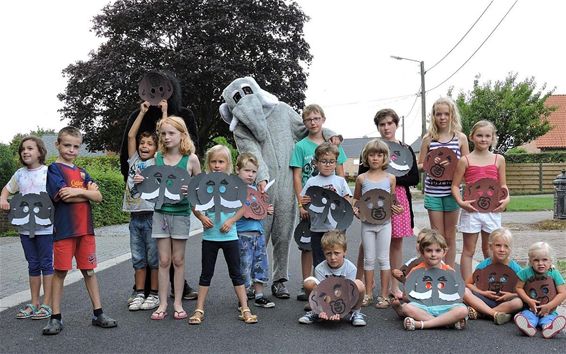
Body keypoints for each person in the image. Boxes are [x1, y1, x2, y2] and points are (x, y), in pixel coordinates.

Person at [219, 77, 339, 299]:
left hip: (286, 180)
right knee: (257, 236)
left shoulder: (282, 110)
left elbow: (307, 129)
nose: (244, 99)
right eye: (237, 98)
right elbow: (252, 153)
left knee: (283, 234)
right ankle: (252, 281)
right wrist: (261, 177)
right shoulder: (241, 128)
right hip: (259, 187)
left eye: (247, 91)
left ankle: (280, 279)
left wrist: (329, 134)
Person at [120, 70, 199, 301]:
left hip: (174, 197)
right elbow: (129, 146)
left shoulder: (183, 115)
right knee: (148, 250)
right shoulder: (138, 114)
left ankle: (177, 286)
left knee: (172, 250)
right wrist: (135, 182)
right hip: (146, 200)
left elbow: (187, 147)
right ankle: (144, 289)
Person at [42, 127, 117, 335]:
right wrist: (87, 193)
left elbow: (99, 197)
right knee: (60, 272)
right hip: (65, 230)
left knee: (90, 271)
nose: (71, 150)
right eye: (67, 145)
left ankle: (98, 313)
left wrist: (77, 191)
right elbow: (63, 196)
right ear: (57, 144)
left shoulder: (83, 172)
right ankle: (55, 317)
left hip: (86, 230)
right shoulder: (54, 170)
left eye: (76, 146)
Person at [189, 145, 258, 325]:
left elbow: (243, 207)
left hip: (230, 237)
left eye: (221, 162)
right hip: (210, 237)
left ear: (227, 164)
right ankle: (199, 309)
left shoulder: (233, 184)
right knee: (206, 274)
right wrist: (201, 217)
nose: (217, 165)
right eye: (213, 161)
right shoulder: (204, 184)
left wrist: (231, 221)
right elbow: (194, 205)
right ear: (208, 163)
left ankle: (245, 308)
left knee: (236, 273)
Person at [141, 116, 201, 321]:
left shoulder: (191, 159)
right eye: (163, 133)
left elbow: (199, 189)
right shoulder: (157, 158)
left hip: (181, 215)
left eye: (171, 133)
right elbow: (147, 186)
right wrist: (141, 180)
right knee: (164, 260)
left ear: (182, 135)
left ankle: (177, 302)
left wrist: (190, 188)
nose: (166, 137)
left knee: (178, 259)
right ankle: (163, 303)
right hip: (161, 214)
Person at [358, 108, 419, 300]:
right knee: (367, 243)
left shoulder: (406, 150)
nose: (386, 128)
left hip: (397, 197)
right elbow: (363, 173)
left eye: (389, 123)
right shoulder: (372, 149)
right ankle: (362, 282)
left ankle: (393, 285)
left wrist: (389, 179)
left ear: (396, 124)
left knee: (396, 241)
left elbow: (414, 177)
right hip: (372, 201)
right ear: (378, 127)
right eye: (382, 124)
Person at [290, 104, 347, 301]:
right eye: (308, 119)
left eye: (316, 118)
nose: (313, 122)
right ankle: (308, 284)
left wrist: (344, 205)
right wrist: (300, 204)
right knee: (308, 245)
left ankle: (336, 285)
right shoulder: (300, 146)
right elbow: (297, 177)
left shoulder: (333, 145)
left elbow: (340, 174)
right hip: (310, 204)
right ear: (304, 123)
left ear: (323, 119)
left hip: (332, 209)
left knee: (334, 245)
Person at [1, 136, 53, 320]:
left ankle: (47, 304)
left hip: (45, 227)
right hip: (25, 227)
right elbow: (6, 190)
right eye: (23, 149)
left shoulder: (49, 172)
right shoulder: (19, 174)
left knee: (46, 264)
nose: (25, 151)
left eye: (30, 148)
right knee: (32, 264)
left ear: (40, 152)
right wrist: (3, 199)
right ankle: (34, 302)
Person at [452, 120, 510, 280]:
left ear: (492, 138)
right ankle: (467, 287)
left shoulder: (499, 159)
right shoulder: (465, 160)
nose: (483, 139)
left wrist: (506, 199)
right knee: (468, 250)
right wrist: (461, 203)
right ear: (472, 137)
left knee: (489, 250)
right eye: (479, 135)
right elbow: (455, 186)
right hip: (471, 211)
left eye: (487, 136)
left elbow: (503, 185)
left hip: (492, 211)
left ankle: (490, 281)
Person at [417, 97, 469, 267]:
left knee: (450, 236)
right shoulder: (428, 139)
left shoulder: (461, 138)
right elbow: (420, 164)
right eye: (438, 114)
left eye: (446, 114)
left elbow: (467, 164)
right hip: (433, 193)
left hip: (452, 193)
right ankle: (437, 272)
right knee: (437, 237)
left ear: (452, 115)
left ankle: (449, 272)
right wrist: (433, 165)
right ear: (433, 116)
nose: (442, 117)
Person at [123, 100, 162, 311]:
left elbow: (165, 141)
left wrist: (164, 113)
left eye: (149, 143)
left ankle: (154, 294)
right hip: (134, 217)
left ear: (156, 148)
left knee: (153, 258)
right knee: (138, 257)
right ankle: (139, 293)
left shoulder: (156, 162)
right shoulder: (134, 160)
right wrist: (141, 112)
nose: (144, 146)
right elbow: (130, 136)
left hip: (151, 216)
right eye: (142, 143)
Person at [354, 138, 402, 309]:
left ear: (385, 158)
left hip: (385, 224)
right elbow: (356, 199)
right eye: (372, 155)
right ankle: (367, 294)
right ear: (366, 157)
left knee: (384, 259)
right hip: (367, 224)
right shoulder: (361, 178)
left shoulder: (390, 178)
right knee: (368, 259)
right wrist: (356, 209)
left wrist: (398, 209)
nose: (375, 158)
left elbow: (393, 201)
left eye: (379, 155)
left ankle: (383, 295)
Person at [396, 229, 468, 330]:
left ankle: (422, 324)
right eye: (429, 250)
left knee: (463, 310)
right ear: (422, 252)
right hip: (424, 307)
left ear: (444, 252)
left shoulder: (449, 271)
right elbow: (405, 297)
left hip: (444, 307)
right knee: (407, 308)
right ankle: (446, 322)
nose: (433, 254)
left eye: (438, 250)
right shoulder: (415, 271)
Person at [300, 142, 352, 269]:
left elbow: (347, 199)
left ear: (336, 163)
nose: (328, 165)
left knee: (337, 260)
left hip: (336, 228)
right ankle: (320, 286)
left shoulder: (340, 181)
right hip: (317, 228)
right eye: (324, 161)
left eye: (331, 161)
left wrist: (345, 205)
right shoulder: (312, 181)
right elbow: (303, 199)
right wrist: (302, 208)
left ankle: (337, 284)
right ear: (316, 163)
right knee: (319, 261)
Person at [298, 230, 366, 326]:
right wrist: (326, 310)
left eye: (337, 253)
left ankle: (356, 312)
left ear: (344, 252)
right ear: (324, 253)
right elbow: (321, 292)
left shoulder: (350, 268)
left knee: (359, 284)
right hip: (326, 299)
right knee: (308, 282)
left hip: (345, 299)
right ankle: (316, 311)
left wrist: (339, 311)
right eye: (328, 253)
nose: (333, 257)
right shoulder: (319, 268)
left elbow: (349, 292)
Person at [235, 152, 275, 308]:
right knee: (244, 266)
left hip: (258, 233)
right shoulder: (234, 190)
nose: (250, 174)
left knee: (260, 264)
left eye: (253, 171)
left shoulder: (256, 191)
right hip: (242, 234)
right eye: (247, 170)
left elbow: (259, 211)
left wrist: (267, 209)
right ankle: (243, 297)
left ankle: (259, 296)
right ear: (238, 170)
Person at [463, 228, 523, 324]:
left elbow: (526, 290)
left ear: (510, 249)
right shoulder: (483, 265)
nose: (502, 250)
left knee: (518, 303)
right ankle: (494, 314)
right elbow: (468, 283)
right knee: (464, 292)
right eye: (498, 245)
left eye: (506, 246)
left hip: (505, 303)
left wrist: (511, 295)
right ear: (491, 246)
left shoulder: (516, 269)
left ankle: (481, 313)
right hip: (484, 299)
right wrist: (483, 293)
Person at [514, 242, 566, 338]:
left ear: (550, 261)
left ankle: (549, 328)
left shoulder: (554, 273)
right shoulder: (525, 273)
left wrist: (550, 306)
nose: (541, 263)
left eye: (545, 260)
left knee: (549, 318)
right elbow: (518, 287)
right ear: (530, 261)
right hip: (530, 308)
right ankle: (528, 326)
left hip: (549, 311)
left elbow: (563, 293)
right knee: (528, 316)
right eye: (536, 260)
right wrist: (528, 300)